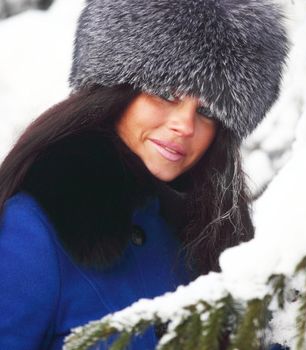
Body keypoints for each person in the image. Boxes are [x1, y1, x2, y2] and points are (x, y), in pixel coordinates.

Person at [0, 0, 288, 348]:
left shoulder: (218, 239)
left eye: (208, 111)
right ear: (116, 91)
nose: (184, 125)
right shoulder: (38, 226)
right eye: (167, 93)